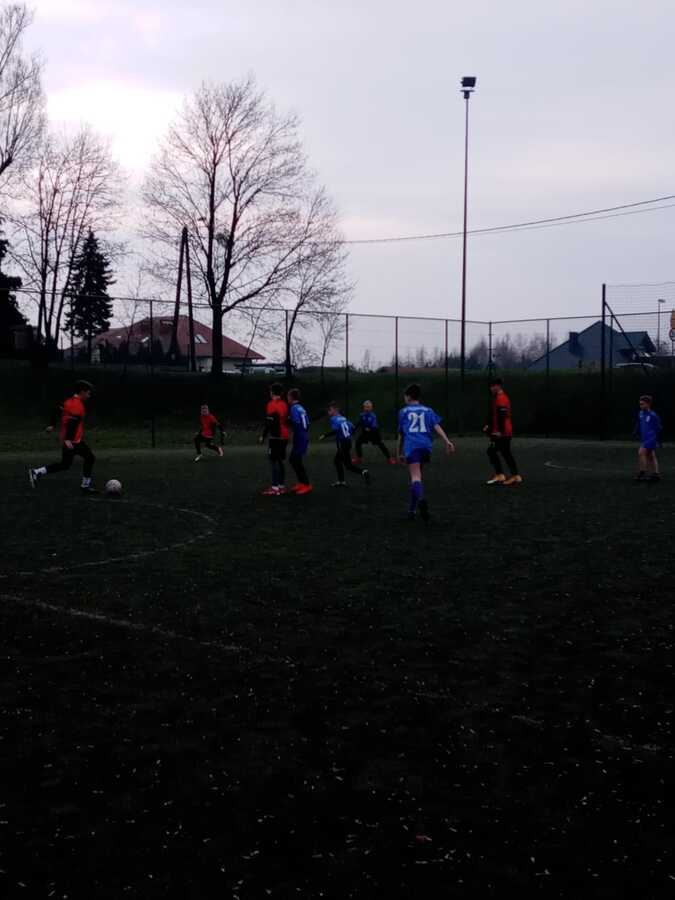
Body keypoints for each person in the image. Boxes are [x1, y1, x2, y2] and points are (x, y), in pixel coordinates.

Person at [397, 383, 454, 521]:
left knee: (415, 477)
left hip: (412, 447)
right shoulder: (428, 410)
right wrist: (447, 441)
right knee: (417, 478)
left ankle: (421, 500)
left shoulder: (403, 412)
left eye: (405, 396)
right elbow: (436, 426)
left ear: (409, 397)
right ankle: (411, 510)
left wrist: (399, 452)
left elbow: (401, 435)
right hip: (426, 447)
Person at [29, 380, 98, 493]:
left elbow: (56, 410)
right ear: (82, 392)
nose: (89, 396)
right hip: (73, 441)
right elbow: (72, 423)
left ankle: (36, 472)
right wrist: (68, 439)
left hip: (71, 440)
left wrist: (52, 424)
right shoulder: (77, 405)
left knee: (65, 464)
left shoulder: (68, 402)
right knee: (89, 458)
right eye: (88, 393)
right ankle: (85, 485)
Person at [319, 402, 370, 487]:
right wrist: (349, 434)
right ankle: (363, 473)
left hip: (343, 443)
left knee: (339, 462)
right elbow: (352, 428)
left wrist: (324, 435)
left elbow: (335, 430)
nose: (328, 412)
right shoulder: (343, 418)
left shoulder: (333, 419)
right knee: (346, 465)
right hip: (348, 443)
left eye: (330, 410)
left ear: (335, 410)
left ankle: (342, 481)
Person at [484, 377, 522, 485]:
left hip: (503, 432)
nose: (491, 388)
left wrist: (499, 432)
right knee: (503, 452)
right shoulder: (498, 398)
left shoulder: (501, 398)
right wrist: (489, 426)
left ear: (498, 386)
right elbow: (496, 416)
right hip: (502, 431)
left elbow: (502, 416)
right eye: (490, 386)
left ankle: (508, 475)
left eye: (493, 386)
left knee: (495, 452)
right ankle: (509, 475)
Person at [258, 383, 289, 496]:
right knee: (280, 461)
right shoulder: (284, 404)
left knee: (273, 461)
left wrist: (263, 435)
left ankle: (275, 488)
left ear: (272, 392)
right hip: (285, 435)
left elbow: (270, 422)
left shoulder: (271, 404)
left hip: (276, 436)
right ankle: (281, 487)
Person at [352, 400, 396, 465]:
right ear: (363, 408)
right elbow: (359, 423)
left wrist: (368, 428)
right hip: (365, 433)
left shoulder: (373, 416)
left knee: (381, 444)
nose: (367, 408)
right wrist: (353, 429)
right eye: (365, 407)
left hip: (374, 433)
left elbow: (373, 427)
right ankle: (359, 459)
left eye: (368, 407)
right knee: (358, 442)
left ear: (371, 408)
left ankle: (389, 459)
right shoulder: (362, 415)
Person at [287, 388, 313, 494]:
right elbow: (307, 423)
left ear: (291, 397)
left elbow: (297, 424)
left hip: (300, 436)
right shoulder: (301, 407)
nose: (287, 398)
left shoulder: (293, 408)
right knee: (294, 460)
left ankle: (307, 484)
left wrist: (292, 432)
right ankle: (302, 483)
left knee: (295, 460)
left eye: (288, 396)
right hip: (303, 435)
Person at [634, 394, 662, 482]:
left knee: (641, 452)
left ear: (648, 404)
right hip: (645, 438)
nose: (641, 406)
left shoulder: (653, 415)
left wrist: (658, 440)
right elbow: (639, 423)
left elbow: (658, 428)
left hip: (651, 438)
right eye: (640, 404)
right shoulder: (640, 413)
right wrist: (636, 430)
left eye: (642, 404)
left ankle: (642, 472)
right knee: (651, 455)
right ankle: (656, 474)